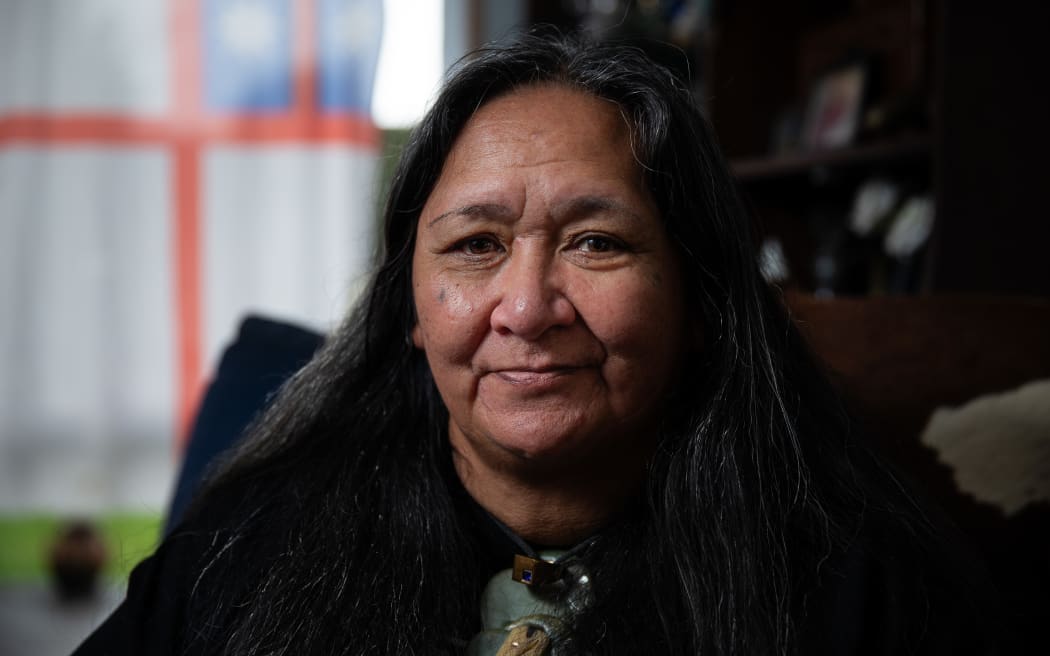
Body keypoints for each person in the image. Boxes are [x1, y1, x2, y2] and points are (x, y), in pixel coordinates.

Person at [75, 29, 999, 655]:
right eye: (475, 247)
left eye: (597, 242)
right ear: (410, 307)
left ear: (702, 301)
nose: (526, 307)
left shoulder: (860, 591)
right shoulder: (241, 556)